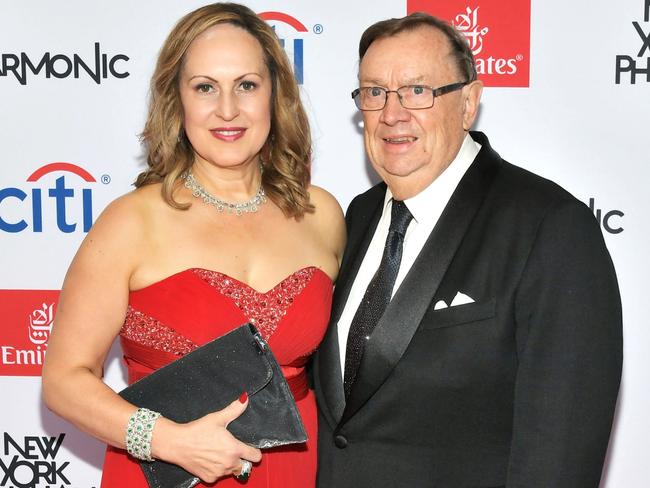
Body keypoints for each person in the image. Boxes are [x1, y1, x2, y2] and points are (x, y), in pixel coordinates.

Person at [313, 12, 622, 488]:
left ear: (468, 102)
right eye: (374, 93)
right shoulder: (355, 217)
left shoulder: (550, 227)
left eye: (418, 91)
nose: (392, 114)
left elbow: (560, 456)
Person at [41, 3, 345, 487]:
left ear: (275, 94)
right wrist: (169, 441)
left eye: (247, 85)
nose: (228, 109)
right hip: (167, 469)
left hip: (296, 469)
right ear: (177, 100)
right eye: (205, 87)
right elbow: (63, 380)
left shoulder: (321, 214)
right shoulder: (132, 220)